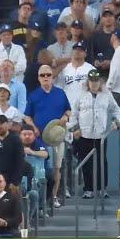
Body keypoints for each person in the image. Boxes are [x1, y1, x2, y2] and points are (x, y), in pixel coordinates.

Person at [68, 70, 120, 199]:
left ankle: (102, 188)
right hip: (84, 134)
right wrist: (75, 128)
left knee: (102, 162)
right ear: (88, 82)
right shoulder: (81, 95)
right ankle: (89, 189)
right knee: (86, 162)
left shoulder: (106, 95)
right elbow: (74, 113)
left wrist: (116, 121)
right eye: (91, 81)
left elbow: (116, 110)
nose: (94, 84)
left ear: (100, 82)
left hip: (101, 135)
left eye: (96, 81)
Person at [23, 64, 71, 207]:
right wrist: (33, 127)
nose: (45, 77)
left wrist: (64, 118)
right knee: (42, 169)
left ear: (53, 77)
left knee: (57, 168)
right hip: (39, 139)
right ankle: (40, 201)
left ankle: (54, 197)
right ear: (38, 78)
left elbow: (68, 111)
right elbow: (27, 116)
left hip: (56, 138)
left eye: (48, 75)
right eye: (42, 75)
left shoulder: (60, 93)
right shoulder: (33, 95)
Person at [0, 115, 25, 194]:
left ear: (7, 124)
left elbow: (20, 162)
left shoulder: (16, 140)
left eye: (1, 123)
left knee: (13, 205)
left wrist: (15, 182)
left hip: (12, 181)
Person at [0, 173, 23, 238]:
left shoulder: (13, 198)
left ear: (5, 183)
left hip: (8, 232)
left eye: (0, 181)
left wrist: (5, 222)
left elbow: (18, 218)